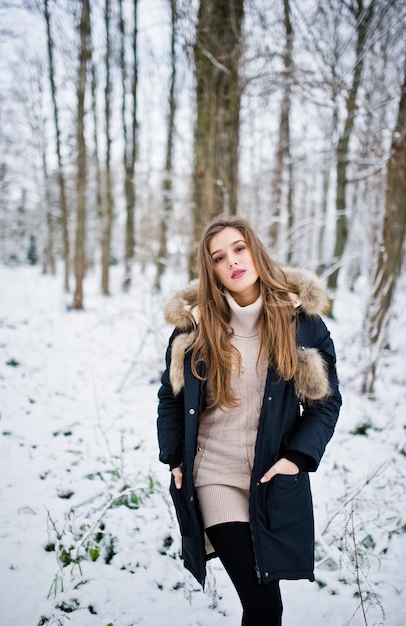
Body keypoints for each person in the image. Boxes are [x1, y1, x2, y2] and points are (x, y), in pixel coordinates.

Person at [157, 215, 341, 625]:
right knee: (262, 603)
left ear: (254, 250)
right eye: (219, 257)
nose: (233, 262)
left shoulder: (302, 323)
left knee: (265, 602)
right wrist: (173, 457)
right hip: (214, 474)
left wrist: (296, 458)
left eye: (239, 248)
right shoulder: (194, 328)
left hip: (268, 477)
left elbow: (326, 403)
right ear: (212, 269)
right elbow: (171, 399)